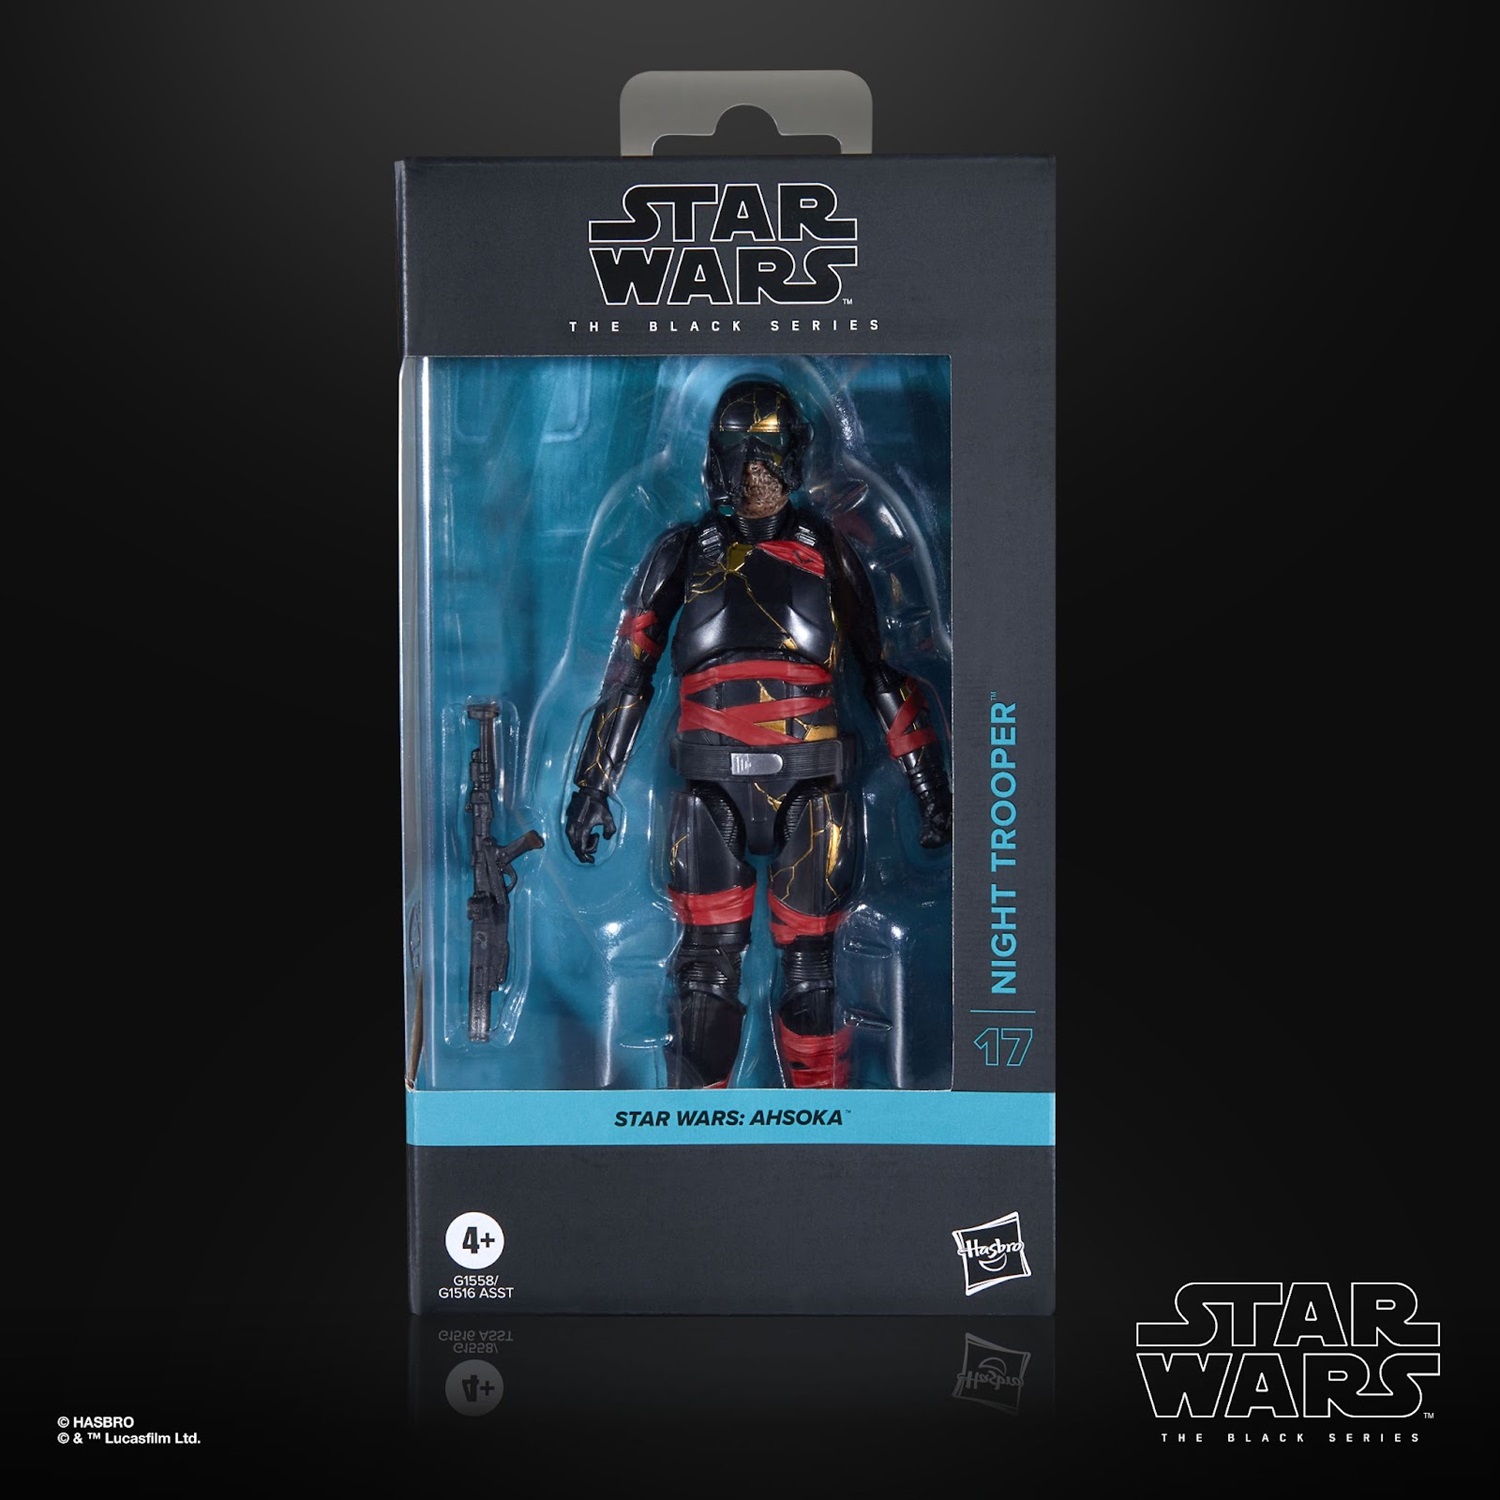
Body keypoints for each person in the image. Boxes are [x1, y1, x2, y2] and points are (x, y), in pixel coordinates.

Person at [565, 376, 951, 1088]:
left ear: (794, 456)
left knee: (810, 973)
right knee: (703, 977)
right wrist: (594, 784)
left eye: (767, 453)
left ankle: (821, 1135)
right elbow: (629, 676)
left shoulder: (827, 550)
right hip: (710, 787)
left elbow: (880, 671)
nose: (754, 471)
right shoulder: (684, 551)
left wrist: (928, 787)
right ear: (716, 459)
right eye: (739, 452)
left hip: (812, 786)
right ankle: (696, 1135)